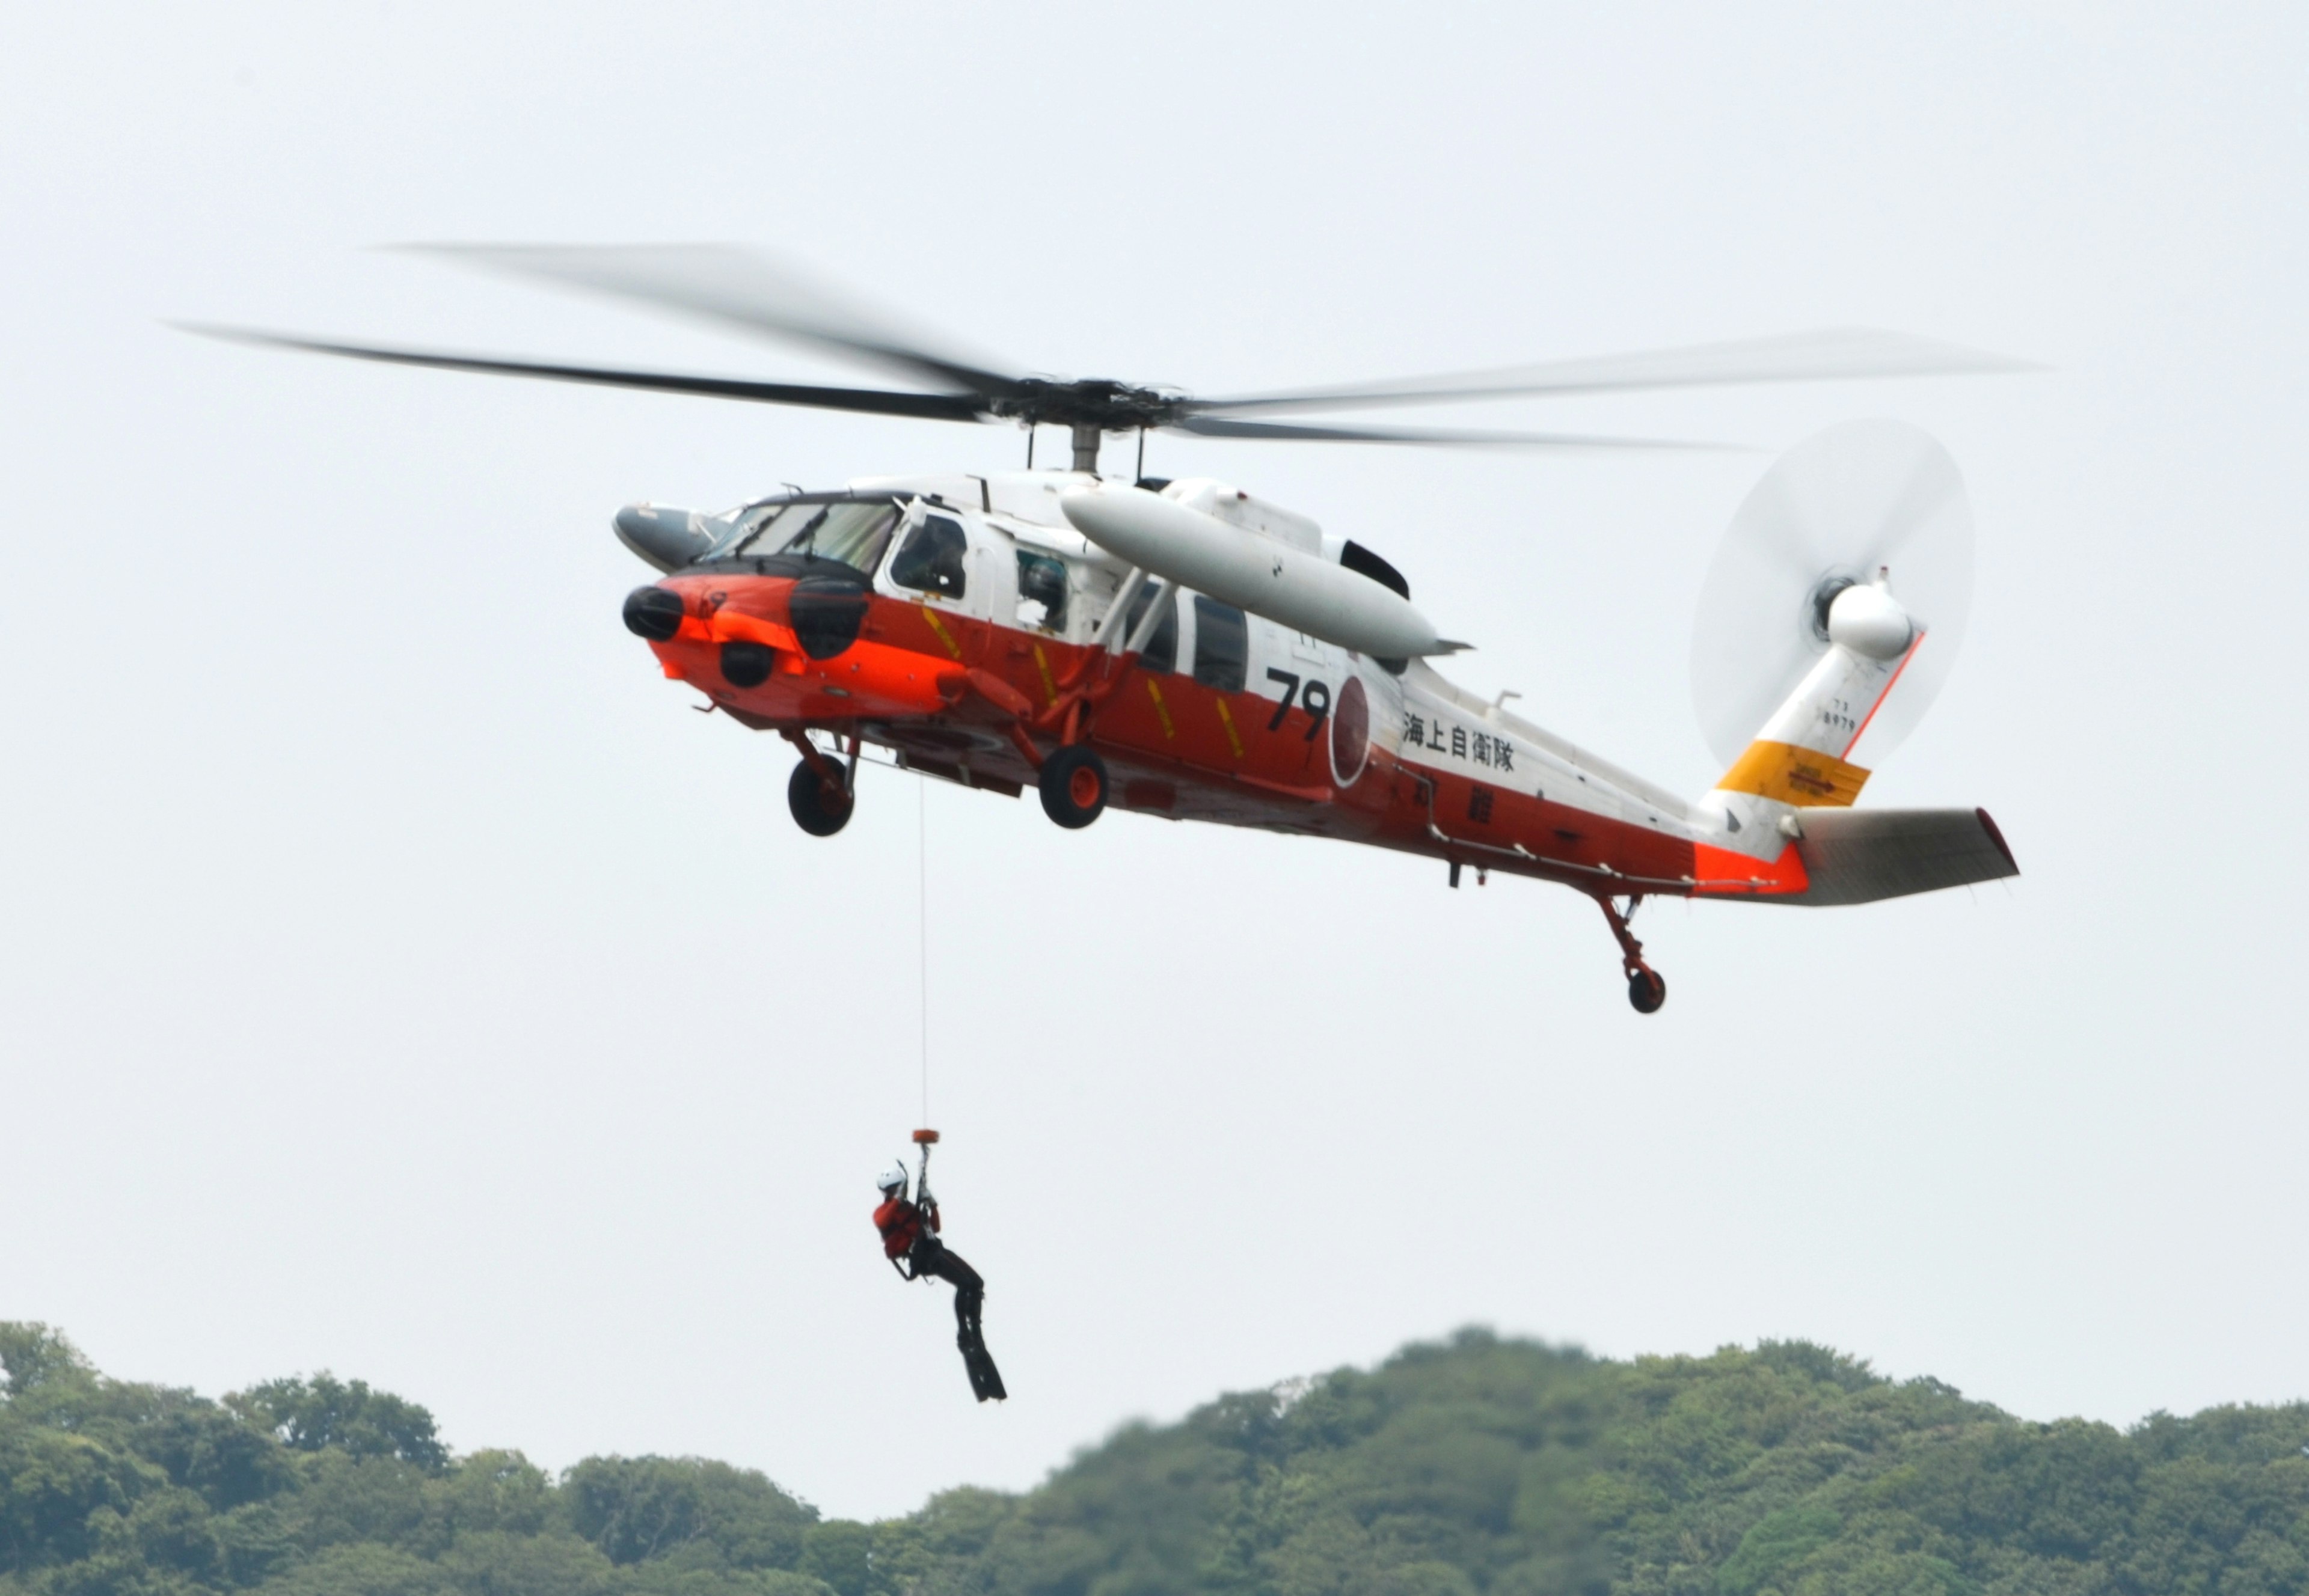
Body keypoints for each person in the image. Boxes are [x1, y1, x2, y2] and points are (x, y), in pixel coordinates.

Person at [875, 1163, 1006, 1402]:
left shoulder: (910, 1210)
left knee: (976, 1283)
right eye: (895, 1189)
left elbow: (934, 1227)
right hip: (922, 1257)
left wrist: (932, 1204)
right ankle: (965, 1334)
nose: (899, 1192)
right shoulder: (884, 1212)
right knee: (966, 1284)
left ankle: (973, 1329)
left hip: (934, 1249)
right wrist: (899, 1196)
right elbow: (883, 1222)